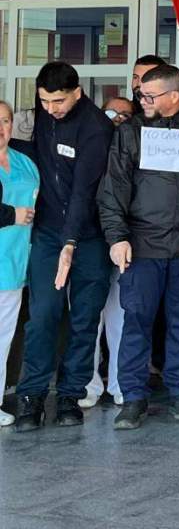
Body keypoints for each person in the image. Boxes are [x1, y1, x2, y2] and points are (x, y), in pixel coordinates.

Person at [97, 65, 179, 430]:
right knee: (137, 321)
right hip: (142, 243)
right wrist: (117, 237)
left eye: (150, 96)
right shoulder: (131, 131)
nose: (143, 101)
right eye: (141, 95)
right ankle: (133, 397)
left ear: (174, 96)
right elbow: (113, 188)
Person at [9, 62, 114, 431]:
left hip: (89, 236)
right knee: (43, 315)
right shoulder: (42, 115)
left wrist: (70, 242)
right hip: (48, 232)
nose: (51, 108)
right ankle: (32, 394)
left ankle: (70, 393)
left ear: (77, 93)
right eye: (44, 101)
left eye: (59, 101)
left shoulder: (96, 127)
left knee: (85, 318)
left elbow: (84, 191)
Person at [83, 96, 136, 408]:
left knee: (121, 318)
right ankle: (88, 384)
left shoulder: (135, 148)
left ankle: (119, 382)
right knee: (88, 318)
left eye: (125, 114)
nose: (117, 118)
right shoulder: (90, 144)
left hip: (125, 242)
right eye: (112, 111)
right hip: (89, 240)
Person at [0, 101, 39, 428]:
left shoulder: (25, 162)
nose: (0, 128)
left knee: (3, 339)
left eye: (4, 121)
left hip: (14, 262)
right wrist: (13, 214)